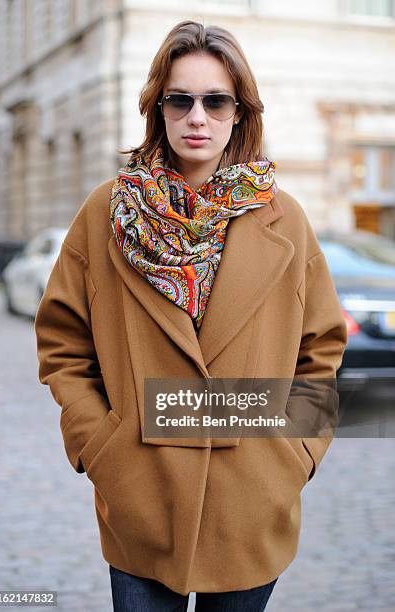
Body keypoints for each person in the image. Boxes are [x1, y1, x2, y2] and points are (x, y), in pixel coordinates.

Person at [34, 20, 347, 612]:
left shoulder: (287, 221)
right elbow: (63, 344)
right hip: (141, 496)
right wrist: (100, 444)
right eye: (180, 99)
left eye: (215, 100)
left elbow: (322, 351)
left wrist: (295, 457)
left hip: (252, 498)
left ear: (239, 112)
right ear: (159, 107)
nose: (196, 117)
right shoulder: (107, 212)